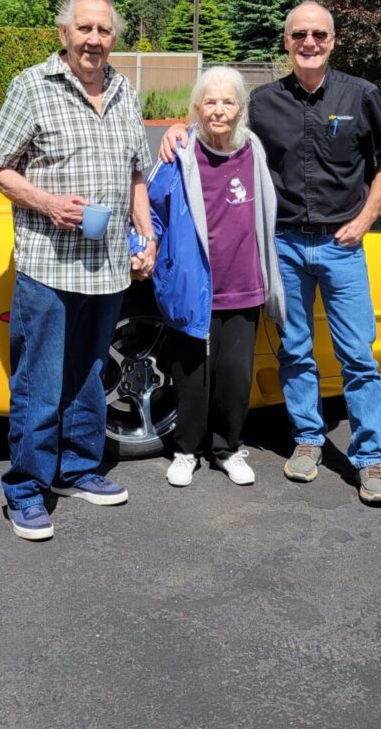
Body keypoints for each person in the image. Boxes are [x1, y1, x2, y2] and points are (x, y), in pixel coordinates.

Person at [158, 2, 381, 505]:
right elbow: (220, 135)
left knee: (358, 355)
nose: (309, 42)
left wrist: (365, 218)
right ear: (286, 43)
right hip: (284, 245)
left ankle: (369, 459)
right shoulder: (263, 102)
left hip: (342, 245)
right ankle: (308, 440)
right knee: (294, 351)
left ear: (332, 41)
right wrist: (177, 130)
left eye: (318, 34)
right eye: (299, 35)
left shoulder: (361, 95)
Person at [0, 0, 158, 541]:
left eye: (104, 31)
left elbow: (136, 174)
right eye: (84, 29)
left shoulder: (126, 91)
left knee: (88, 377)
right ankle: (27, 490)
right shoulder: (32, 86)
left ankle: (80, 468)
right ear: (64, 34)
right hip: (48, 267)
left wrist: (147, 234)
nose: (94, 40)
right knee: (39, 382)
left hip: (107, 268)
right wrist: (48, 204)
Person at [144, 66, 285, 489]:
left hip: (243, 285)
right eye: (210, 102)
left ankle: (227, 448)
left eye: (227, 102)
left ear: (241, 107)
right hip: (193, 287)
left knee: (235, 375)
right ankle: (186, 451)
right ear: (196, 108)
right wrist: (144, 249)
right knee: (192, 376)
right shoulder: (181, 152)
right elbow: (152, 210)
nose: (218, 110)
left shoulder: (253, 149)